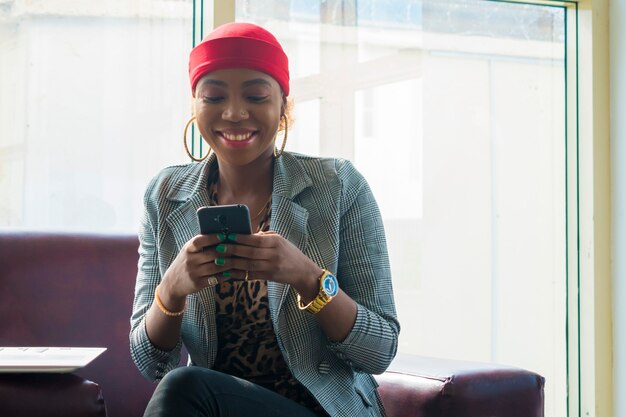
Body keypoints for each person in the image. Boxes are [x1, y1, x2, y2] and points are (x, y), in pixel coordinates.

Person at [130, 22, 399, 417]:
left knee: (184, 386)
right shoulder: (165, 196)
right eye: (214, 96)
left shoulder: (339, 187)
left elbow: (380, 350)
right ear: (195, 106)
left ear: (284, 107)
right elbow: (148, 363)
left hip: (320, 408)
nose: (235, 113)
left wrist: (309, 279)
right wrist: (172, 288)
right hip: (216, 406)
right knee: (181, 385)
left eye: (256, 95)